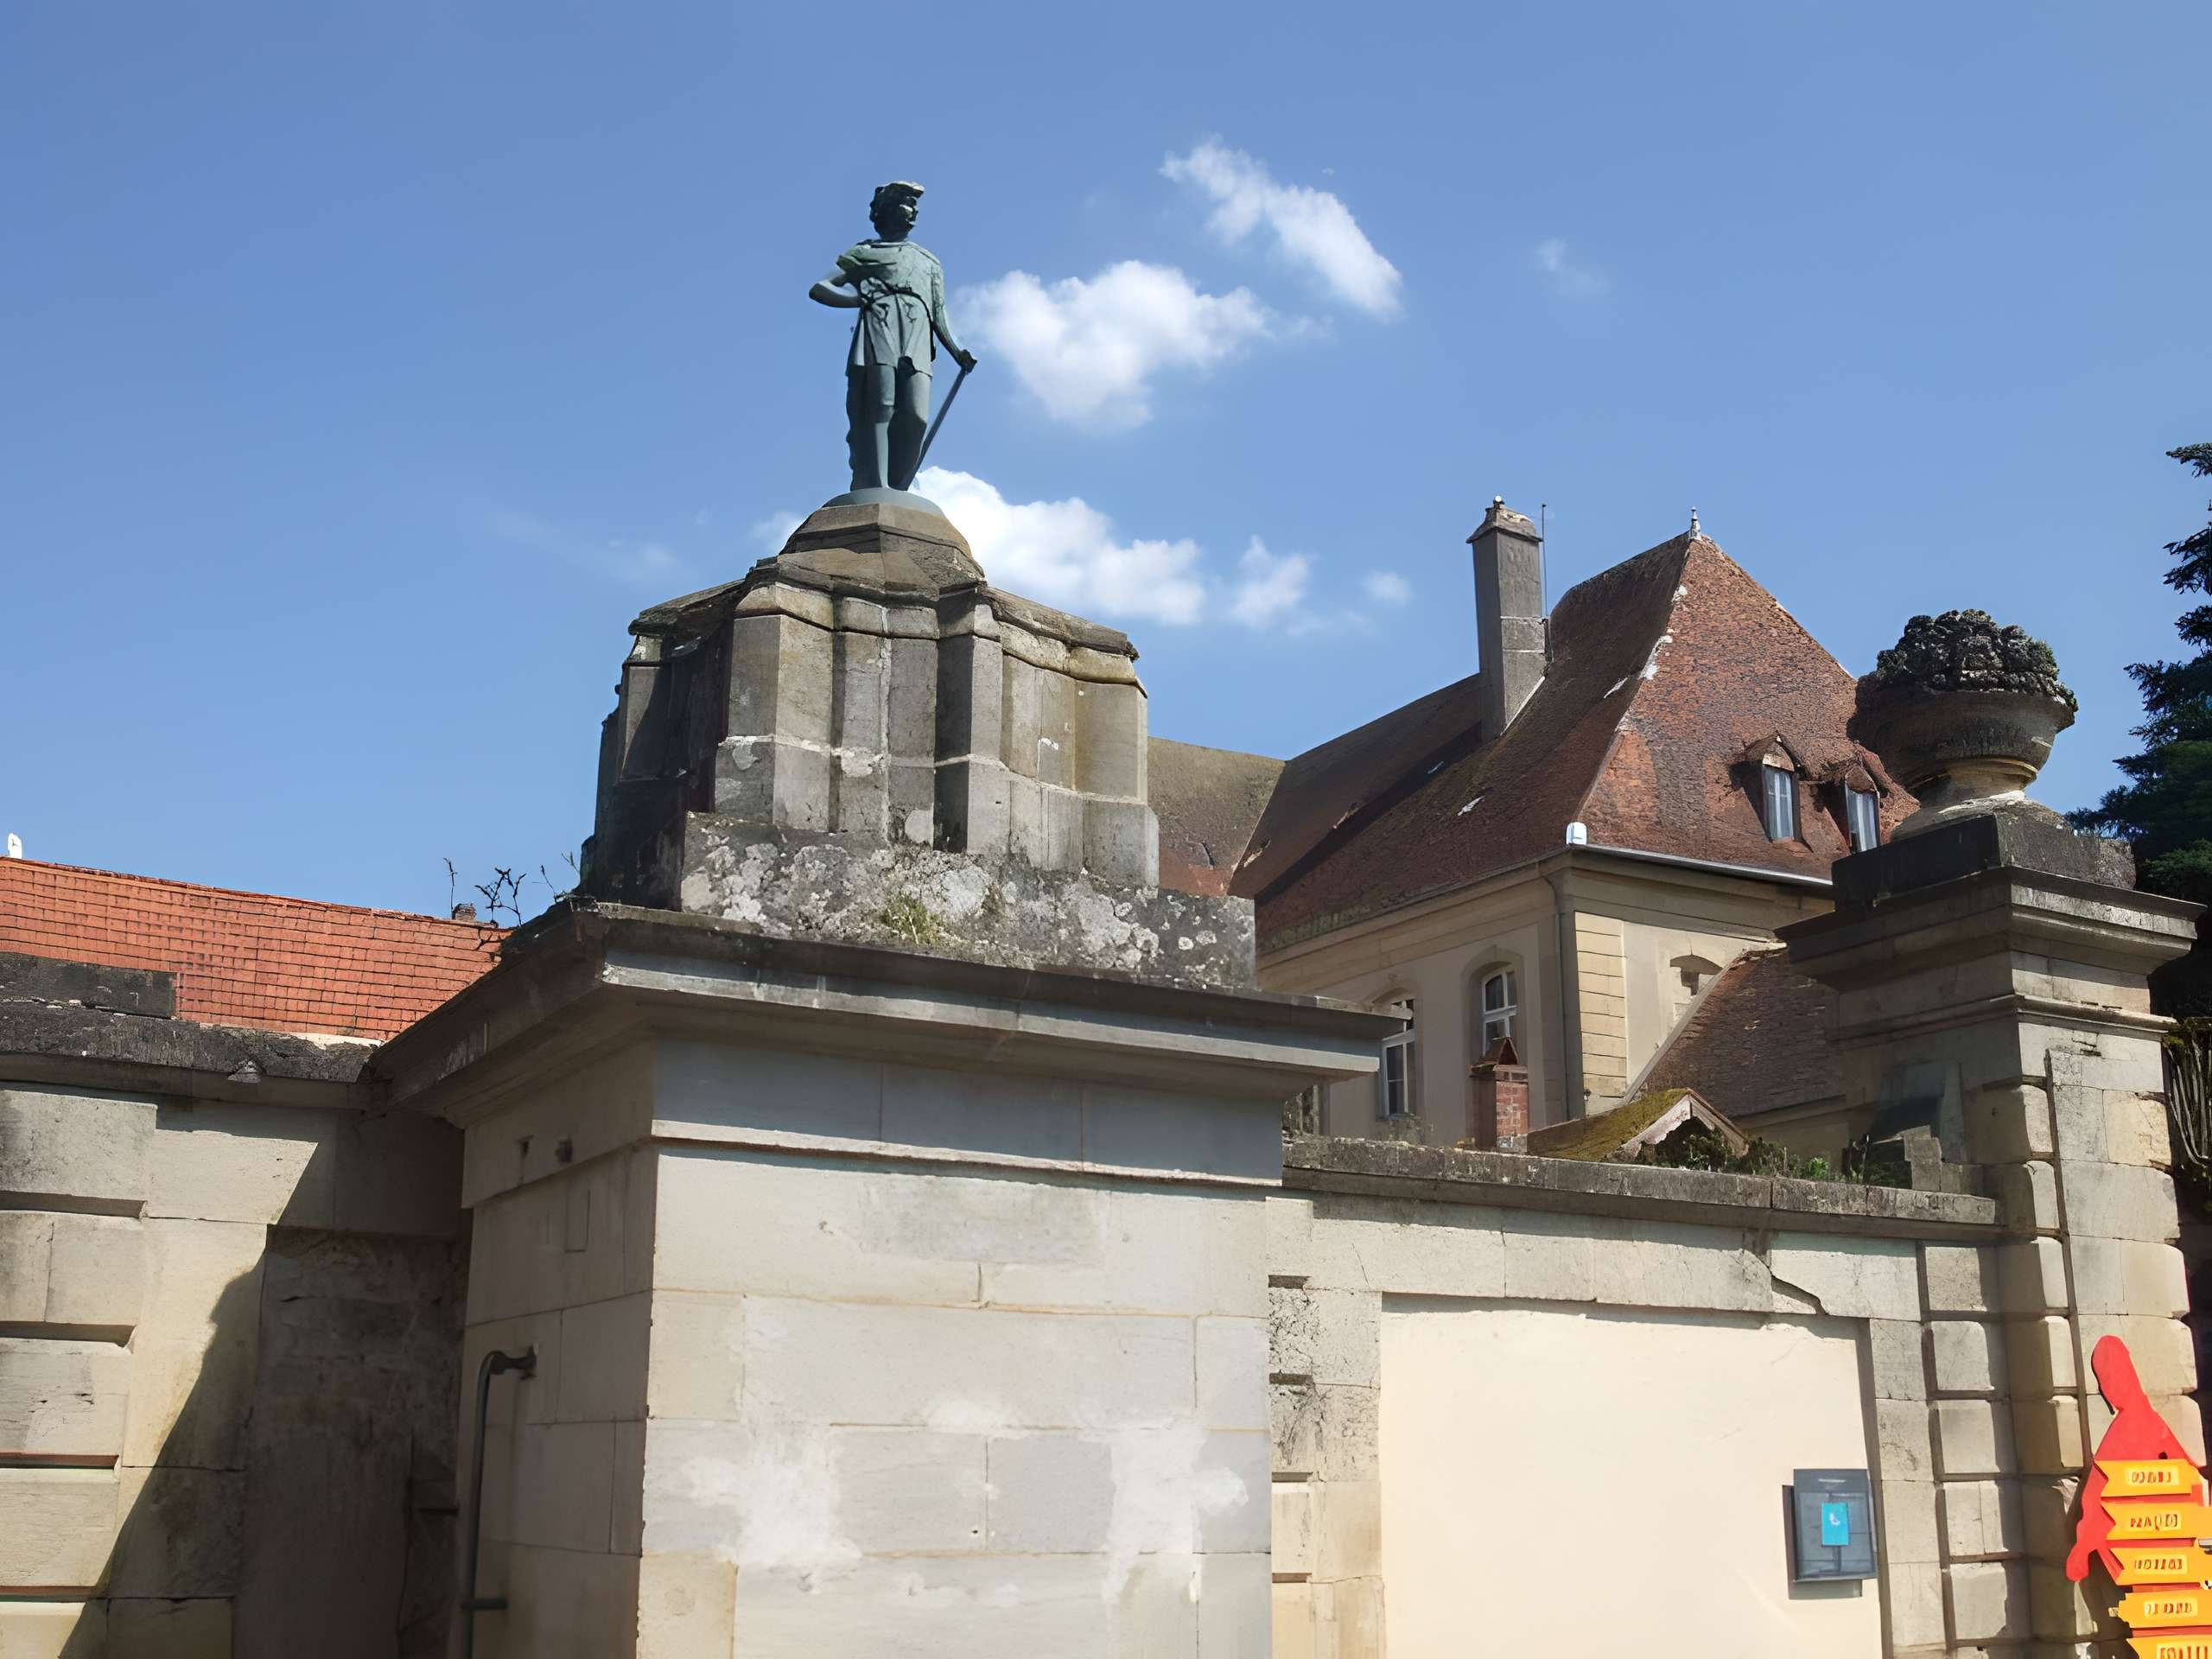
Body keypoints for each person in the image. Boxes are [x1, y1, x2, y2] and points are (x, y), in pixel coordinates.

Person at [808, 181, 977, 493]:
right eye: (906, 204)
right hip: (880, 326)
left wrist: (957, 351)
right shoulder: (864, 252)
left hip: (917, 333)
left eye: (915, 207)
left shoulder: (929, 262)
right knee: (880, 408)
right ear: (888, 210)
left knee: (916, 416)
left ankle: (897, 487)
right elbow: (820, 288)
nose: (912, 212)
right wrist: (858, 301)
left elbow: (938, 311)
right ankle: (877, 485)